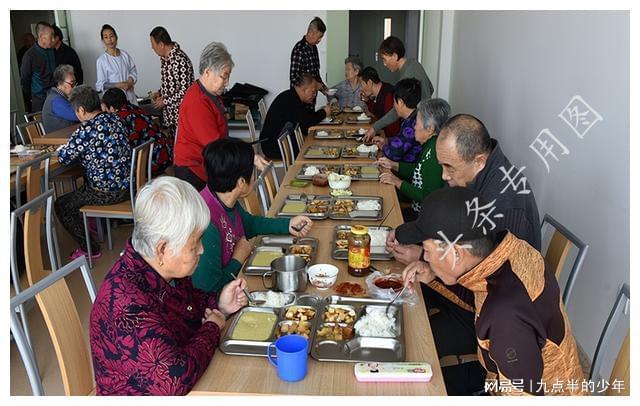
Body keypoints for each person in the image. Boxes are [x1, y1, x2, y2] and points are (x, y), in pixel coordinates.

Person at [397, 187, 584, 395]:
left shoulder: (506, 317)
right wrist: (433, 275)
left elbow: (523, 394)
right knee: (408, 381)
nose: (426, 258)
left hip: (524, 388)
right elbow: (482, 298)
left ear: (456, 254)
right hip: (497, 374)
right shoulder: (508, 253)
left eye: (428, 251)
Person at [90, 176, 249, 395]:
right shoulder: (126, 304)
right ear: (162, 249)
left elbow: (189, 303)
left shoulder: (162, 269)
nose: (201, 250)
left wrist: (219, 302)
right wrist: (212, 328)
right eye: (195, 245)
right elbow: (173, 381)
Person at [386, 113, 542, 265]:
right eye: (441, 165)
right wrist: (402, 233)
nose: (444, 176)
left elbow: (492, 277)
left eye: (449, 167)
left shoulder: (506, 202)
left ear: (479, 161)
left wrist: (423, 257)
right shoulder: (471, 173)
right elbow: (444, 215)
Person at [192, 138, 313, 293]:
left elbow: (249, 224)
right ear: (241, 182)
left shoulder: (222, 197)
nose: (255, 177)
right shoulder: (205, 222)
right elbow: (208, 290)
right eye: (252, 172)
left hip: (236, 283)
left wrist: (287, 224)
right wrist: (238, 258)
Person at [175, 41, 269, 191]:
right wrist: (249, 157)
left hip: (208, 165)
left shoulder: (211, 93)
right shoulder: (197, 101)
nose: (227, 83)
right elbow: (215, 145)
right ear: (207, 72)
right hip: (193, 172)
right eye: (224, 77)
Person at [55, 85, 131, 260]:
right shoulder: (116, 119)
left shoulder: (86, 130)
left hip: (107, 192)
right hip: (128, 185)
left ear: (81, 110)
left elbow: (64, 158)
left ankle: (90, 248)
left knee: (62, 205)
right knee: (84, 187)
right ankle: (93, 227)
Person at [376, 98, 450, 221]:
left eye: (417, 122)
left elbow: (427, 196)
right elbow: (419, 171)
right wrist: (393, 165)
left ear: (430, 128)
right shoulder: (430, 144)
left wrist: (397, 181)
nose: (414, 127)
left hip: (423, 219)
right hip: (417, 211)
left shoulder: (436, 153)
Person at [364, 36, 434, 142]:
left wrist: (375, 127)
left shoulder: (407, 74)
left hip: (420, 125)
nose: (384, 64)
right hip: (428, 120)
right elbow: (431, 88)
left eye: (384, 59)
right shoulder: (414, 64)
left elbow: (397, 110)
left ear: (395, 56)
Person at [259, 73, 331, 159]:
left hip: (279, 141)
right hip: (274, 147)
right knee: (316, 148)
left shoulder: (292, 96)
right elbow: (306, 123)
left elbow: (307, 116)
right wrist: (324, 113)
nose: (314, 95)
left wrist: (323, 111)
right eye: (313, 91)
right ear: (304, 90)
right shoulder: (290, 100)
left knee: (317, 143)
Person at [101, 88, 172, 175]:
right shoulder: (135, 108)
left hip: (151, 161)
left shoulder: (119, 120)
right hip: (165, 151)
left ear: (112, 108)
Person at [149, 26, 194, 134]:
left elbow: (185, 91)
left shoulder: (180, 60)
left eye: (153, 45)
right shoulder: (165, 59)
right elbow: (171, 84)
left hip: (181, 117)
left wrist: (165, 101)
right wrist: (160, 93)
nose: (152, 48)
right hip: (170, 118)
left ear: (161, 45)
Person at [371, 78, 422, 163]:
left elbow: (394, 153)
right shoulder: (413, 117)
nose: (393, 105)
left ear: (400, 103)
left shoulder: (412, 124)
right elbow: (403, 139)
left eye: (394, 102)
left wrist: (383, 146)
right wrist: (386, 140)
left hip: (407, 170)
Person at [289, 17, 327, 111]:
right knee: (302, 124)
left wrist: (324, 88)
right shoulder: (299, 49)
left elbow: (315, 74)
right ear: (311, 33)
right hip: (300, 100)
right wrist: (313, 85)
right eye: (319, 37)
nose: (320, 40)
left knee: (310, 124)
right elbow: (294, 78)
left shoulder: (314, 48)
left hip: (311, 99)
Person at [96, 24, 138, 105]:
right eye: (106, 37)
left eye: (111, 36)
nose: (109, 40)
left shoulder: (125, 55)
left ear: (116, 37)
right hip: (114, 101)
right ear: (103, 41)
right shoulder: (101, 60)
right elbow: (101, 85)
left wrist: (130, 81)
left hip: (130, 97)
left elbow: (133, 70)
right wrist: (118, 85)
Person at [20, 22, 55, 112]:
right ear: (41, 36)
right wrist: (32, 95)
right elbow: (25, 79)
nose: (53, 39)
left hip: (54, 96)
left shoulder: (51, 51)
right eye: (51, 36)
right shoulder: (29, 55)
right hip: (39, 99)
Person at [358, 66, 400, 137]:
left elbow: (392, 125)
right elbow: (377, 113)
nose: (361, 88)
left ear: (370, 83)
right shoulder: (379, 92)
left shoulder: (388, 94)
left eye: (361, 84)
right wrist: (367, 100)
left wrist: (385, 142)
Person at [41, 64, 79, 132]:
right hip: (59, 140)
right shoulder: (55, 100)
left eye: (75, 83)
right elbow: (78, 115)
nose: (75, 87)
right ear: (60, 83)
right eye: (72, 84)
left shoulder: (62, 96)